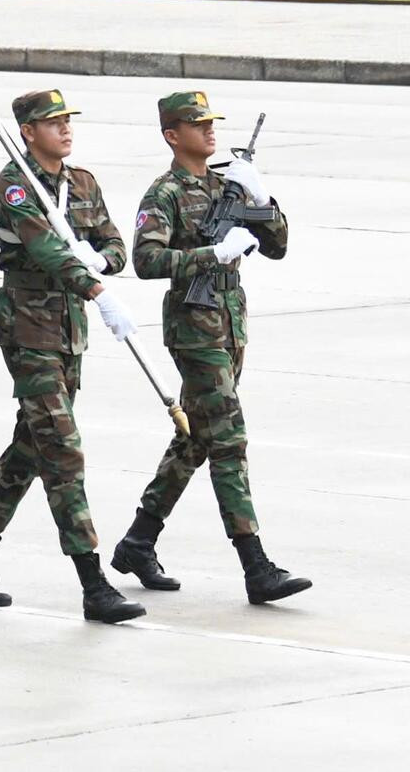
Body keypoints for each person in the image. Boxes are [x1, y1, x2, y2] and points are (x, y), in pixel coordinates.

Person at [0, 89, 147, 625]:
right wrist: (97, 291)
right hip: (29, 332)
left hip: (69, 335)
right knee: (62, 451)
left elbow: (116, 244)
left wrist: (100, 257)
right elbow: (45, 250)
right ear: (28, 132)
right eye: (50, 122)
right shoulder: (13, 185)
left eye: (65, 120)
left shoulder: (83, 183)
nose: (64, 129)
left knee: (30, 448)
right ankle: (93, 583)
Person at [111, 91, 309, 605]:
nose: (209, 130)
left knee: (196, 438)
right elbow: (147, 259)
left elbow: (279, 246)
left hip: (230, 325)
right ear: (172, 135)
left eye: (210, 122)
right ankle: (255, 564)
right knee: (229, 439)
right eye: (196, 124)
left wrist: (262, 202)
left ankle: (138, 540)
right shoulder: (165, 194)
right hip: (193, 330)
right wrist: (210, 253)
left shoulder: (228, 185)